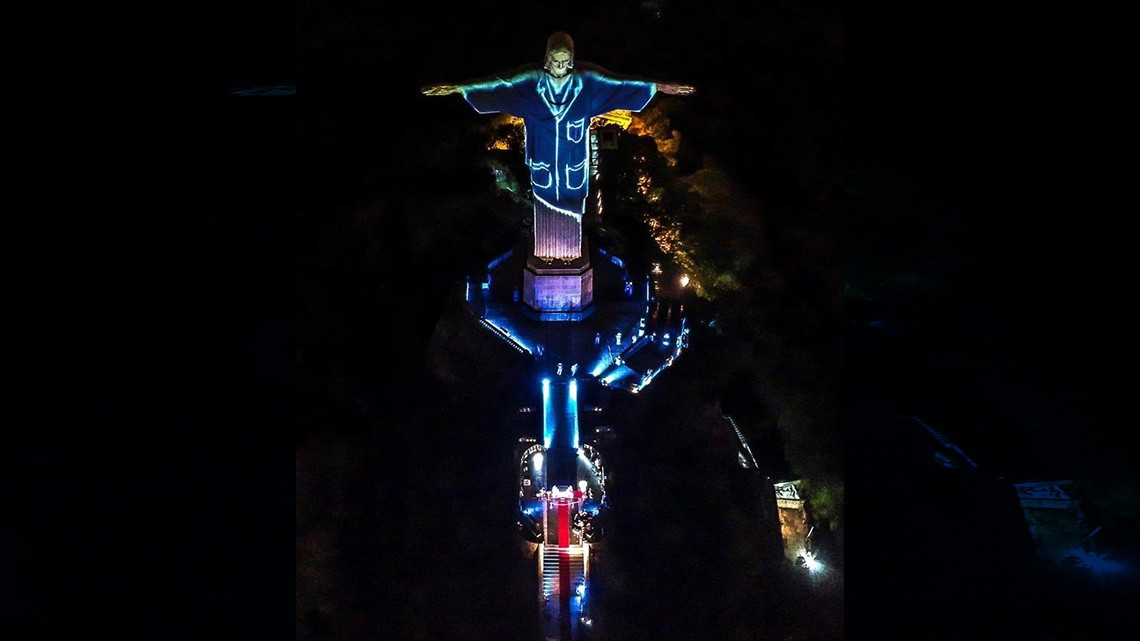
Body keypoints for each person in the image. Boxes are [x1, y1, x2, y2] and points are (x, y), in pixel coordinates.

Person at [422, 32, 694, 221]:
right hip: (542, 156)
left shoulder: (587, 81)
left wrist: (658, 86)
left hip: (573, 159)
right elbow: (499, 83)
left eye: (565, 62)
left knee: (573, 203)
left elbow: (620, 83)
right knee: (544, 202)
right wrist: (459, 87)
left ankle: (570, 245)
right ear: (547, 59)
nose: (560, 67)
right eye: (555, 61)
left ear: (572, 61)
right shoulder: (531, 81)